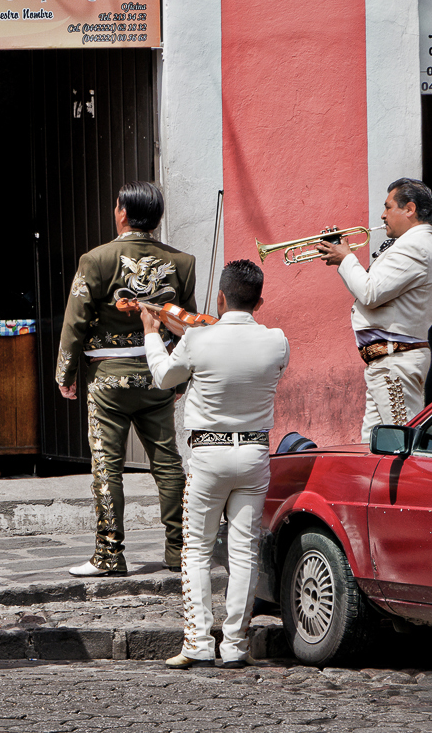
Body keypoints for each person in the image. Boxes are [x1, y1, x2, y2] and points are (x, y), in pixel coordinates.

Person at [141, 260, 289, 669]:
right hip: (255, 453)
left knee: (197, 550)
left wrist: (155, 335)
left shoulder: (198, 340)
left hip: (208, 455)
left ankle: (198, 641)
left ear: (220, 297)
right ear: (259, 300)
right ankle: (235, 646)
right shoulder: (277, 340)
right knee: (245, 553)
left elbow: (164, 377)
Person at [56, 181, 197, 577]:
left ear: (121, 211)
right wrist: (180, 381)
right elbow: (188, 326)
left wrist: (64, 373)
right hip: (157, 375)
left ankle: (109, 554)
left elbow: (75, 322)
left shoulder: (96, 260)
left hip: (107, 381)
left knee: (107, 466)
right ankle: (179, 551)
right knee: (168, 464)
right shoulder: (182, 263)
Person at [317, 177, 432, 443]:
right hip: (387, 361)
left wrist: (345, 258)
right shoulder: (412, 245)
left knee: (400, 444)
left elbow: (370, 292)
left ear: (409, 209)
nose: (383, 215)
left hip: (395, 361)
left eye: (388, 207)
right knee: (372, 446)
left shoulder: (414, 246)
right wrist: (344, 258)